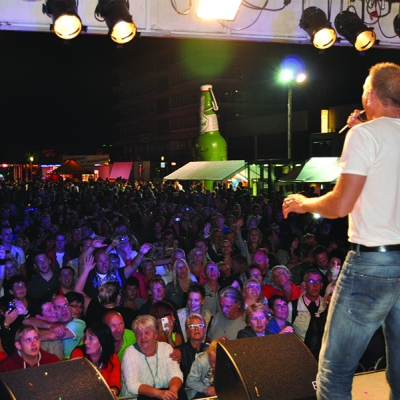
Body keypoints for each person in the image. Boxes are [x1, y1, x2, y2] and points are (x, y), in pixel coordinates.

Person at [282, 63, 400, 399]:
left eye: (364, 85)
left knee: (334, 372)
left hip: (372, 267)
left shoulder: (364, 135)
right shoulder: (368, 131)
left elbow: (340, 205)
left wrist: (305, 202)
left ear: (372, 95)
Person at [121, 315, 184, 400]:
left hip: (164, 393)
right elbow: (132, 385)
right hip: (138, 397)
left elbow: (175, 373)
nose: (143, 337)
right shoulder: (130, 353)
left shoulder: (166, 348)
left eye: (147, 332)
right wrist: (158, 393)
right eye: (139, 333)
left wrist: (173, 391)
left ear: (155, 334)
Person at [71, 322, 121, 398]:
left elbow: (114, 384)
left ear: (102, 342)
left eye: (91, 338)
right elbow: (80, 385)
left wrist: (112, 393)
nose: (86, 342)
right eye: (86, 338)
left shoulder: (112, 357)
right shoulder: (78, 354)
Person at [289, 270, 327, 360]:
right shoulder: (293, 307)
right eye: (311, 281)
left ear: (322, 285)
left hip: (324, 357)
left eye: (318, 281)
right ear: (304, 285)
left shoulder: (327, 307)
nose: (315, 285)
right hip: (301, 357)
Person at [176, 313, 208, 384]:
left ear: (205, 330)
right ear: (187, 332)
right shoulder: (179, 352)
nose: (196, 329)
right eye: (192, 326)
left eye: (200, 326)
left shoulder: (209, 350)